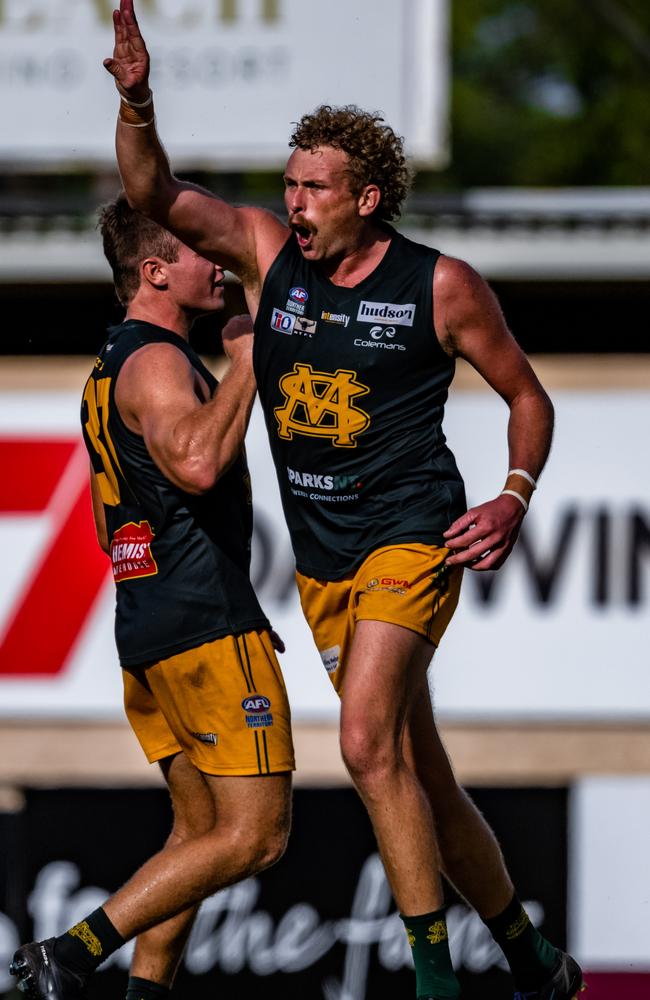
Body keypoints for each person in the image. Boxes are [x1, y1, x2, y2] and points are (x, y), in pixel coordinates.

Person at [9, 195, 295, 1000]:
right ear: (155, 271)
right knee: (255, 837)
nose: (220, 261)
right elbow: (198, 465)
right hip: (205, 625)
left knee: (197, 836)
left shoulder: (107, 372)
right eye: (201, 250)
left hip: (146, 627)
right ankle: (68, 952)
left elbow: (111, 527)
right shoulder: (160, 362)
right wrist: (248, 362)